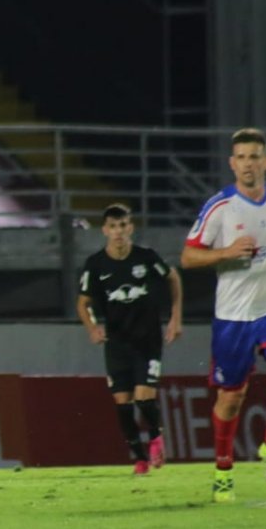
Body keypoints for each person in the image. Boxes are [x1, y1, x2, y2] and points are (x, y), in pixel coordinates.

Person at [181, 128, 266, 503]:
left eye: (255, 156)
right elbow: (188, 257)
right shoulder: (220, 207)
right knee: (232, 398)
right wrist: (226, 252)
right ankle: (222, 470)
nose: (248, 164)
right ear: (232, 163)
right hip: (234, 313)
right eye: (241, 157)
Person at [77, 203, 183, 475]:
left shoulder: (146, 258)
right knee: (123, 405)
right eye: (113, 227)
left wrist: (175, 317)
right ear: (105, 230)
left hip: (147, 340)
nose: (118, 232)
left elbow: (173, 278)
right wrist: (92, 327)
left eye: (123, 225)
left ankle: (156, 438)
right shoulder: (96, 265)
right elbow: (83, 302)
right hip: (117, 342)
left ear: (130, 227)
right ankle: (139, 459)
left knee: (144, 399)